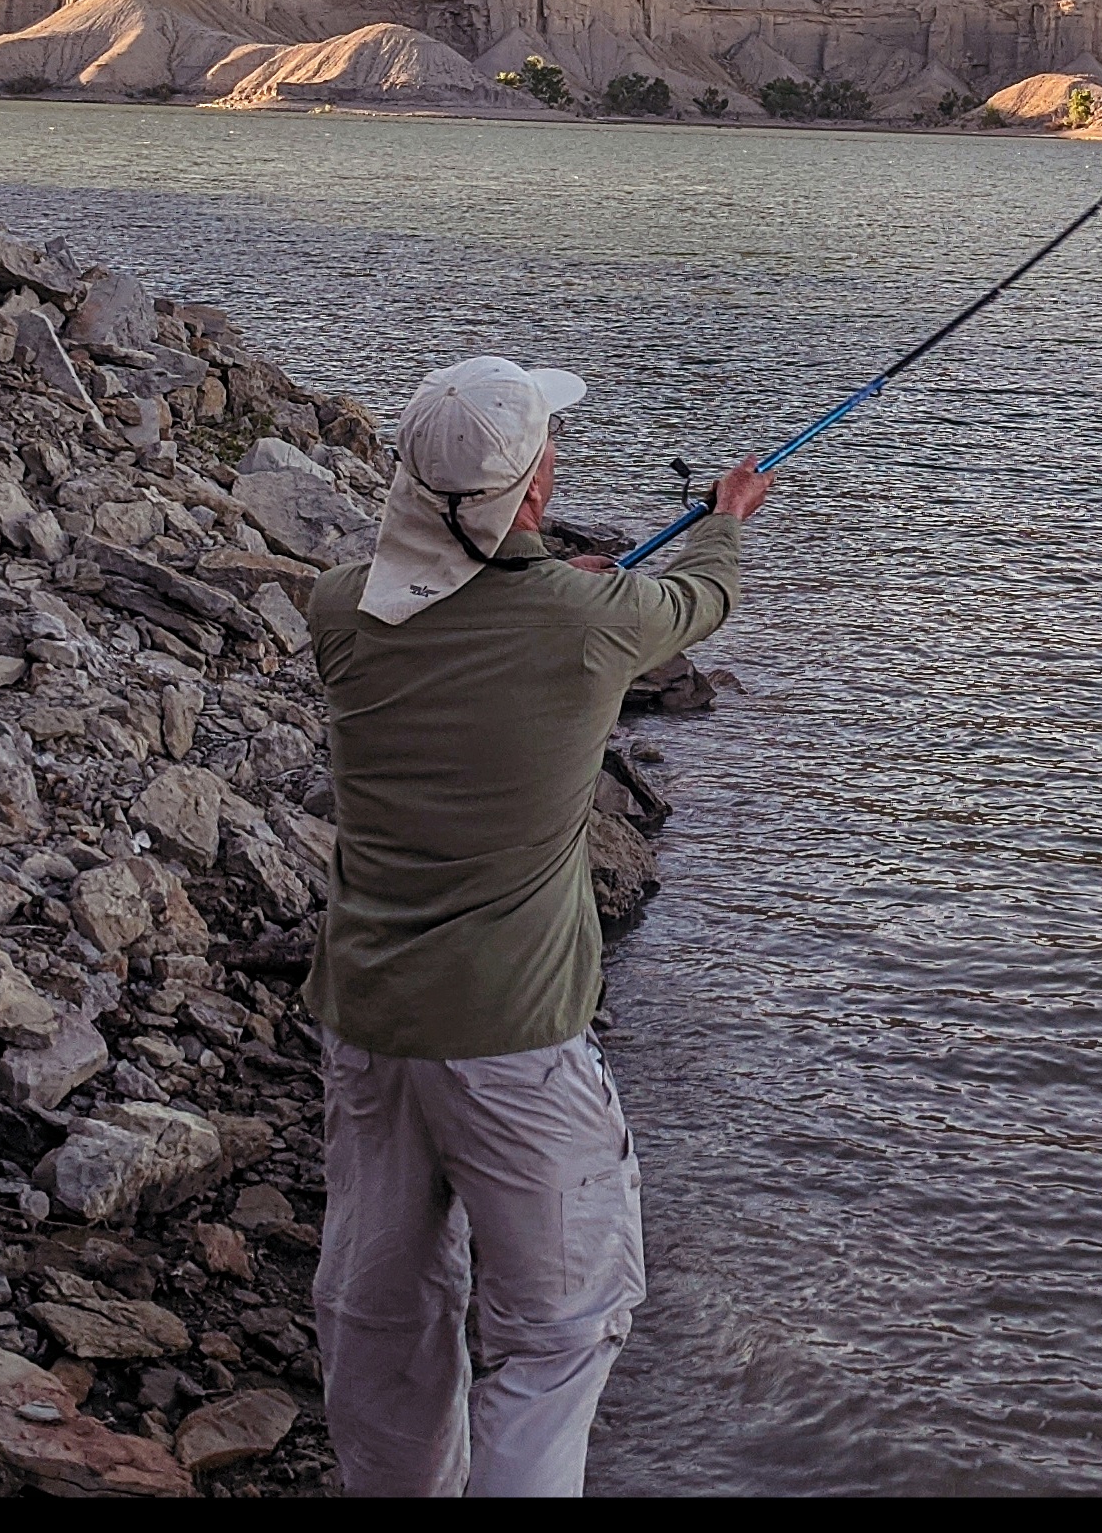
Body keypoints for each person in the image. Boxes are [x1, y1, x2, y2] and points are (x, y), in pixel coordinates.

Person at [300, 354, 771, 1498]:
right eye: (548, 449)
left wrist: (549, 568)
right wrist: (722, 516)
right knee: (562, 1327)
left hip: (367, 1019)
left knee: (382, 1317)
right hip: (513, 1037)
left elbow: (460, 597)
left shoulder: (340, 608)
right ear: (535, 488)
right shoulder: (586, 621)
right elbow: (699, 604)